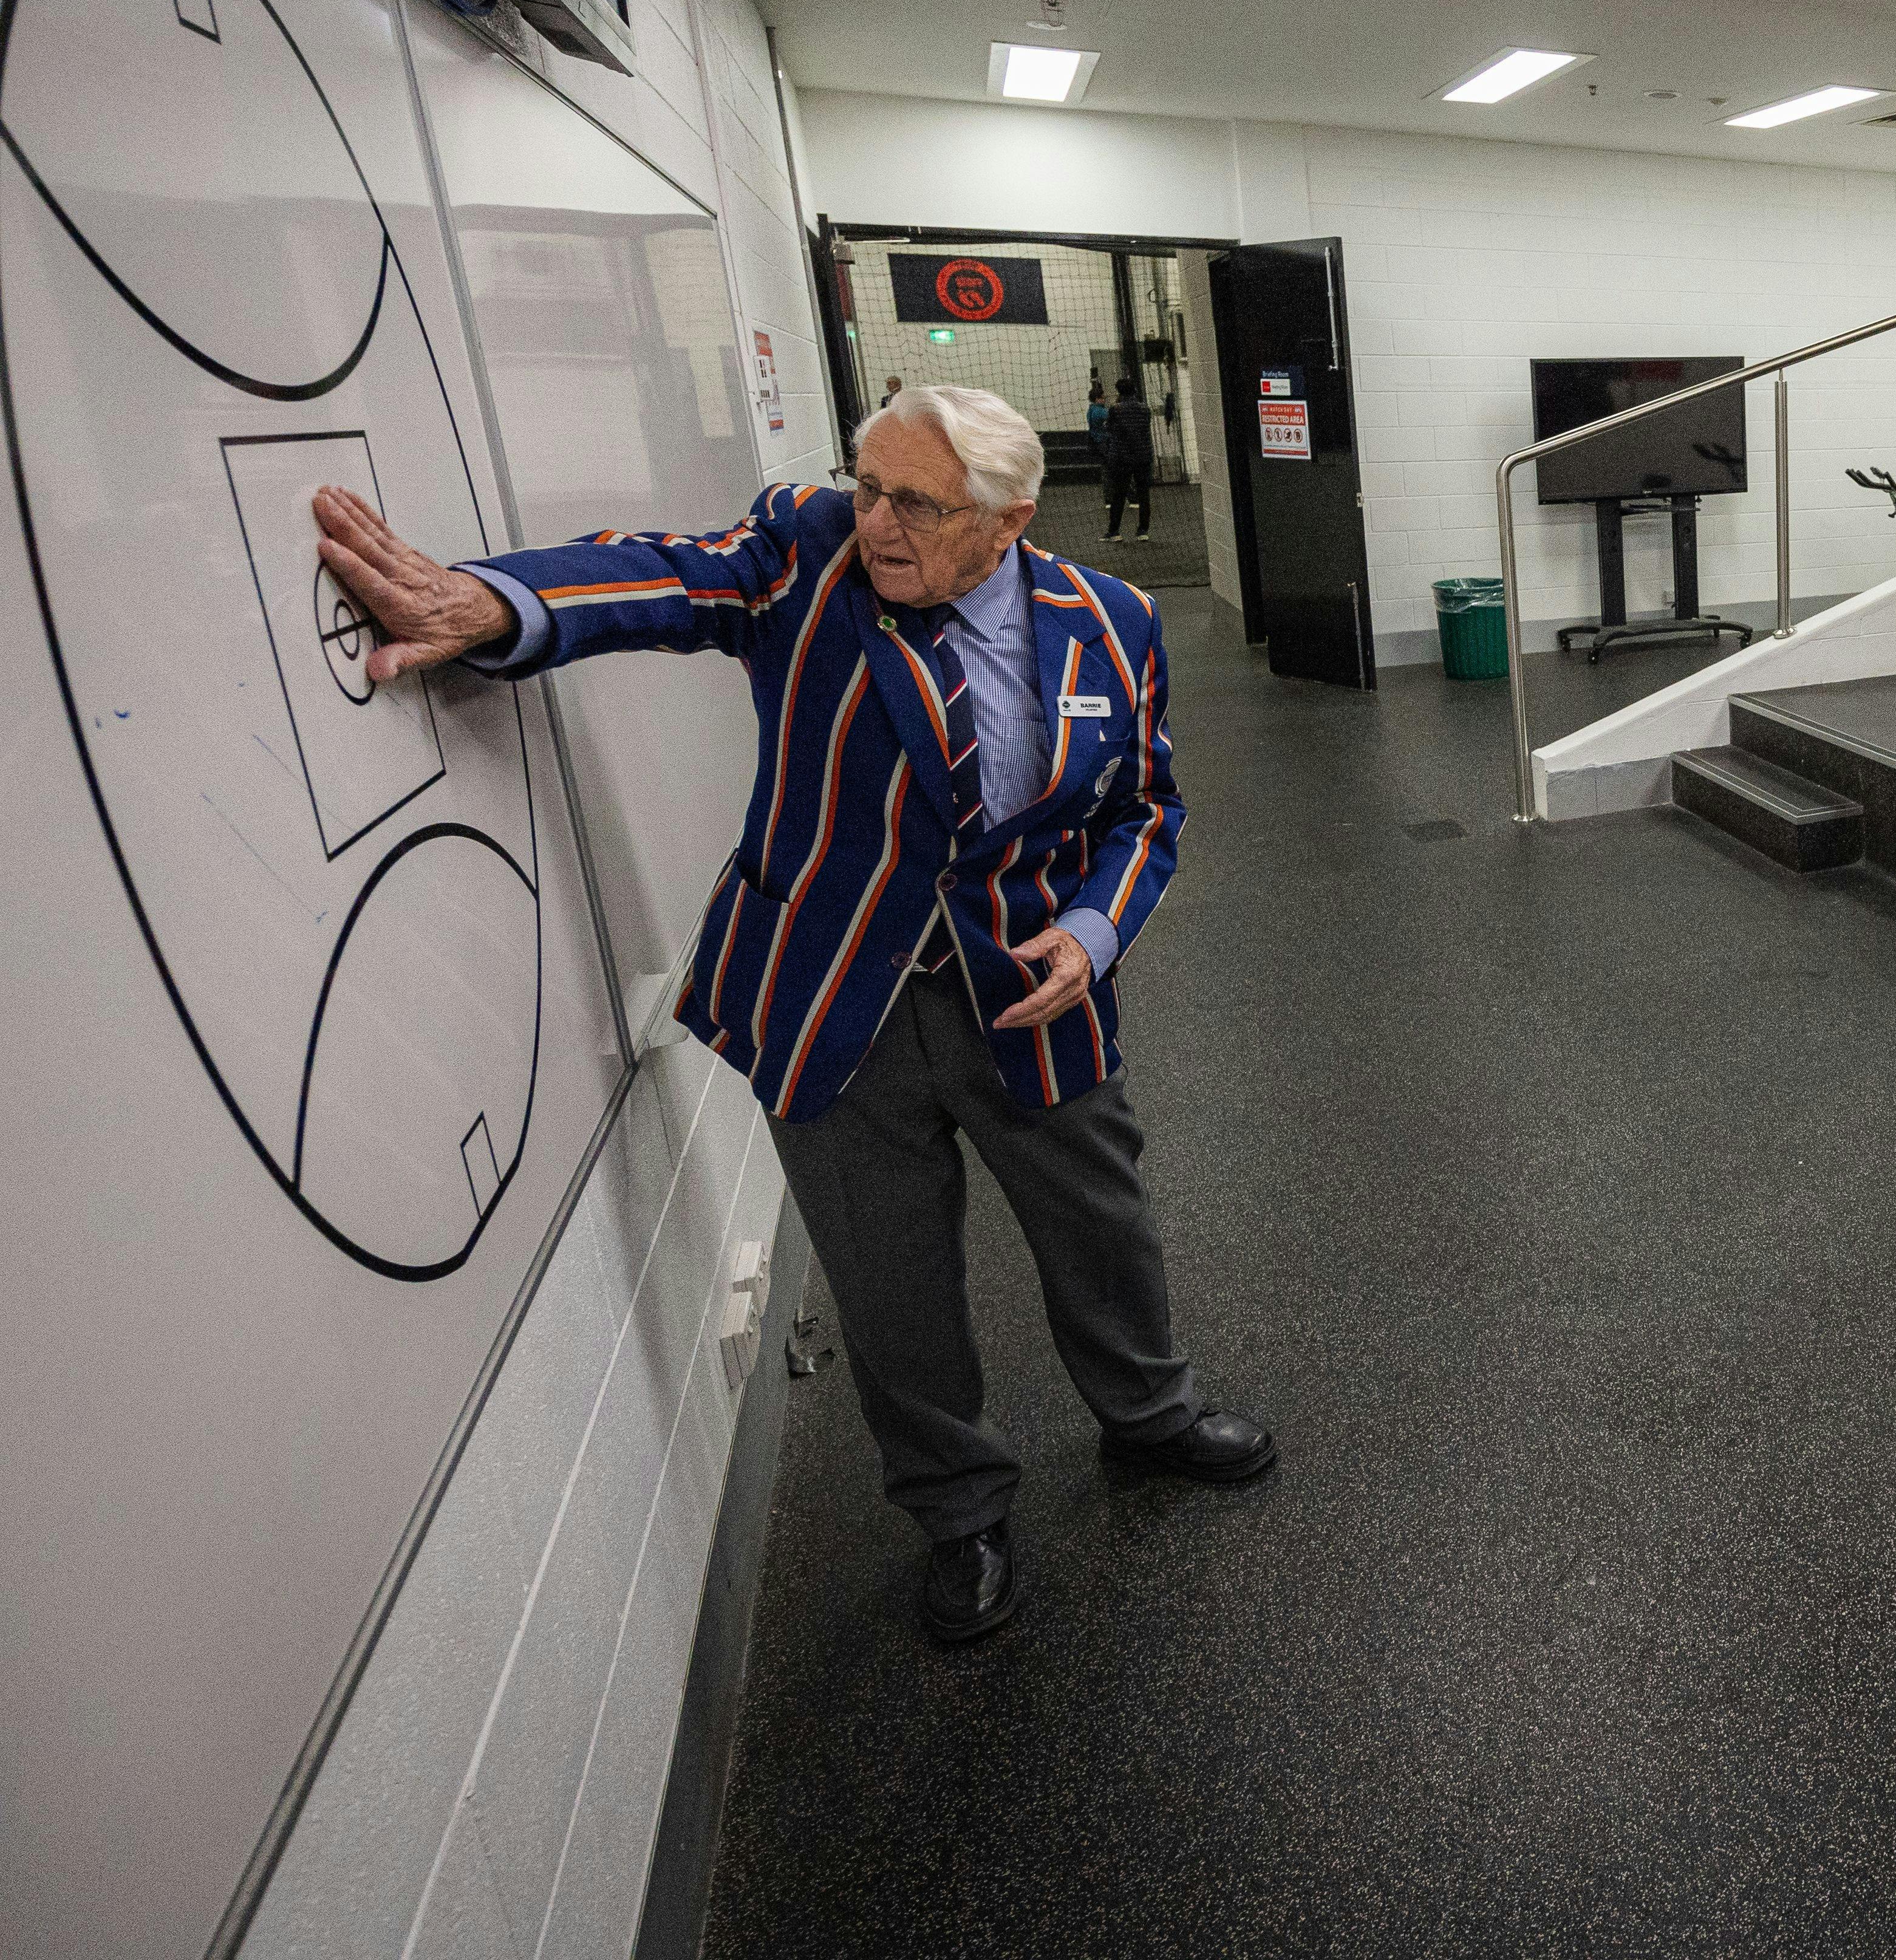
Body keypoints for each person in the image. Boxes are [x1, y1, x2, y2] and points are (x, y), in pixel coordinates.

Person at [307, 383, 1270, 1645]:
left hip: (1031, 994)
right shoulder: (811, 554)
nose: (877, 519)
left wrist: (1093, 932)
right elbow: (668, 574)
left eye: (915, 502)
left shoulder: (1115, 619)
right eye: (867, 484)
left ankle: (1149, 1413)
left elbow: (1144, 808)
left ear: (1009, 518)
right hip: (832, 999)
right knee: (889, 1275)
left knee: (1102, 1222)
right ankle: (958, 1509)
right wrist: (496, 602)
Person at [1102, 375, 1156, 539]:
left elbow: (1109, 429)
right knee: (1144, 495)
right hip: (1143, 457)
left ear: (1119, 391)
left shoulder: (1115, 410)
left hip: (1122, 458)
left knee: (1118, 495)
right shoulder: (1145, 409)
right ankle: (1143, 532)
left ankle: (1114, 532)